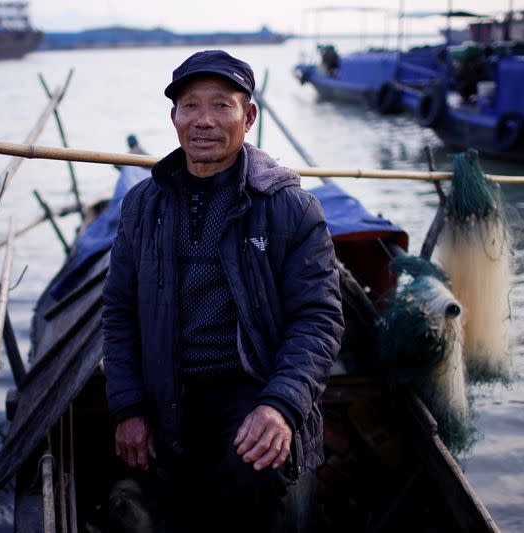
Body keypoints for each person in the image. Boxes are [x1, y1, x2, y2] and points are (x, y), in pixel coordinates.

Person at [102, 49, 344, 532]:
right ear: (173, 117)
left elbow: (318, 318)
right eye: (190, 106)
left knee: (254, 474)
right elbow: (119, 312)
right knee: (172, 508)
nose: (204, 121)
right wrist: (128, 407)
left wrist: (281, 405)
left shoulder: (291, 209)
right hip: (165, 386)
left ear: (248, 116)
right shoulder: (141, 206)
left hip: (251, 383)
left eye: (222, 106)